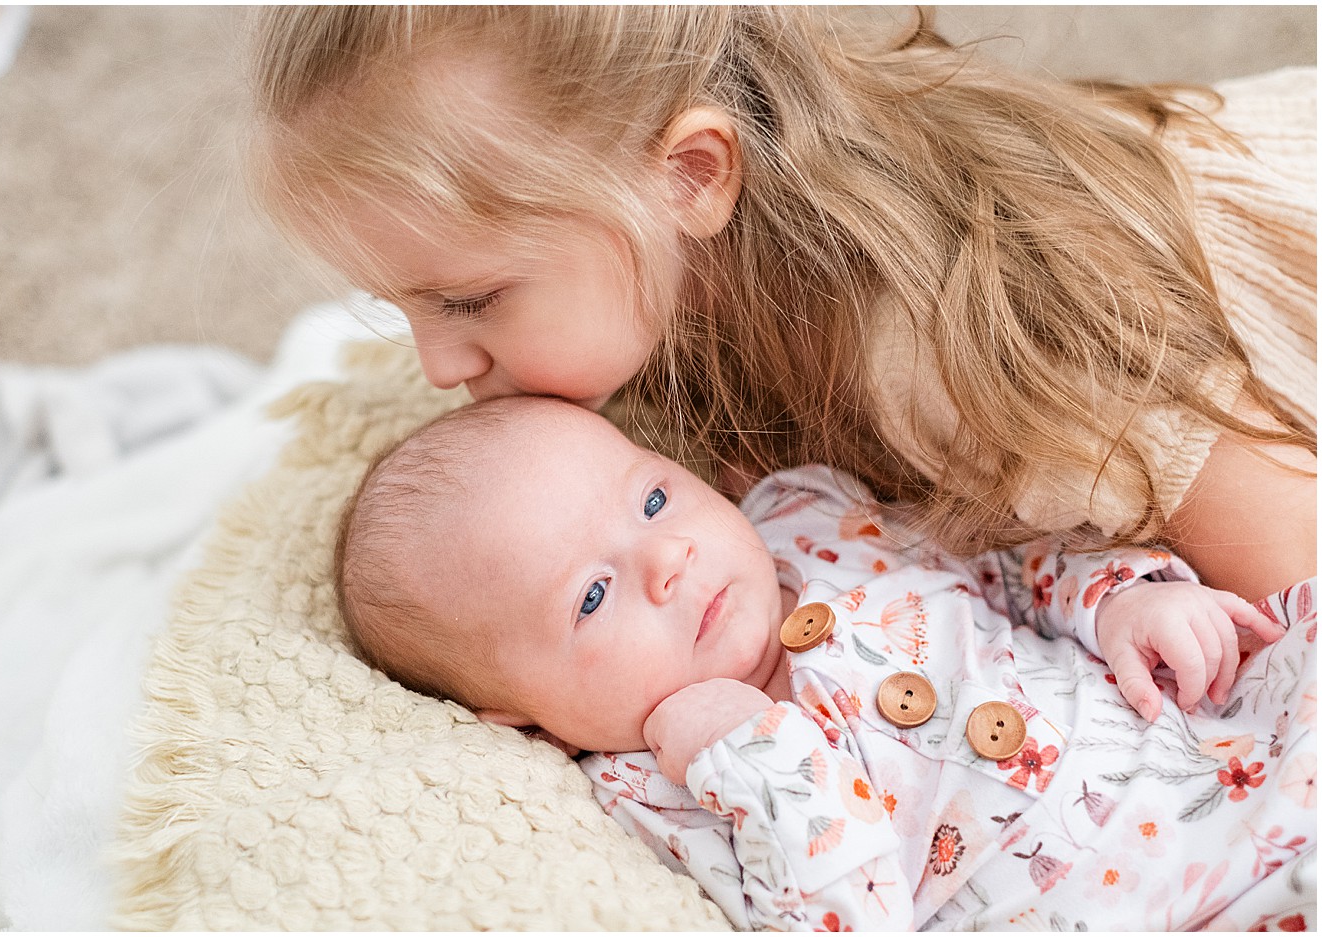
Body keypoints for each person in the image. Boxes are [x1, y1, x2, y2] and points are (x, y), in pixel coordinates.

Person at [250, 7, 1315, 604]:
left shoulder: (934, 331)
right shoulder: (670, 294)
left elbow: (1292, 573)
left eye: (469, 299)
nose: (439, 367)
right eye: (401, 306)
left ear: (688, 177)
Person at [333, 395, 1315, 931]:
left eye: (651, 500)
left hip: (1224, 761)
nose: (667, 559)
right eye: (591, 596)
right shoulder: (654, 792)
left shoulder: (807, 517)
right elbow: (842, 915)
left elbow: (1007, 553)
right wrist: (747, 756)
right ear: (523, 714)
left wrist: (1120, 600)